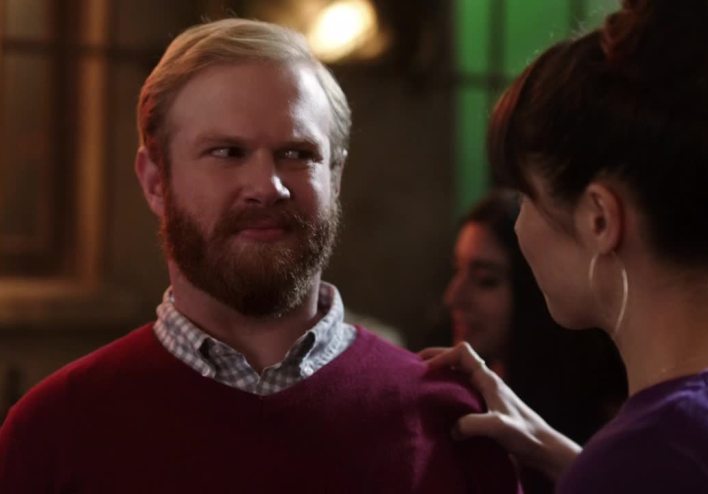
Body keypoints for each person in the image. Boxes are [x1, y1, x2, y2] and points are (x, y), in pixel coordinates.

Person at [0, 19, 520, 493]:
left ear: (335, 176)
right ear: (156, 181)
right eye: (227, 152)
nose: (267, 186)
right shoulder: (52, 434)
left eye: (297, 154)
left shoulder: (450, 422)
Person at [422, 0, 708, 492]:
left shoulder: (643, 460)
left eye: (527, 197)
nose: (520, 227)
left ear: (599, 218)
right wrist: (570, 458)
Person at [443, 190, 627, 492]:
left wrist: (543, 449)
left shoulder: (609, 422)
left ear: (535, 290)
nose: (454, 297)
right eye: (457, 271)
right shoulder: (462, 395)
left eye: (486, 280)